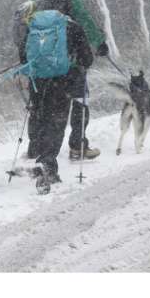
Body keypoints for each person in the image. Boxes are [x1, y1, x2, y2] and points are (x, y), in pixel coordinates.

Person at [26, 0, 109, 161]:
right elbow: (84, 19)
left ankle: (35, 147)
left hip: (40, 59)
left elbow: (25, 22)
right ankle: (78, 145)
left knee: (39, 103)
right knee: (80, 98)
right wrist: (99, 42)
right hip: (68, 58)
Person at [17, 11, 93, 183]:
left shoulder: (34, 26)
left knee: (40, 117)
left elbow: (23, 57)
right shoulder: (72, 27)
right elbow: (87, 59)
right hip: (63, 81)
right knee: (56, 123)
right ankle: (47, 165)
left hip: (37, 81)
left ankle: (36, 153)